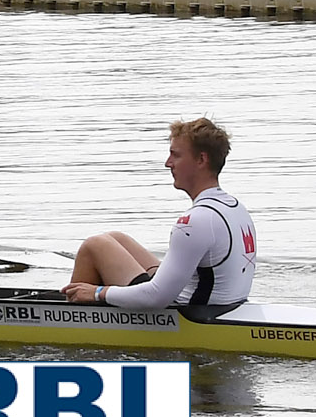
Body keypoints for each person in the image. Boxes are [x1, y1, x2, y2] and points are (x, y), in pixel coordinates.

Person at [62, 119, 256, 315]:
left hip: (191, 314)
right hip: (226, 305)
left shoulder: (195, 221)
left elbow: (156, 297)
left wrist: (98, 293)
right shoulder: (236, 208)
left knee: (94, 246)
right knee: (116, 238)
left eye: (176, 155)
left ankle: (68, 321)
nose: (167, 163)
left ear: (201, 160)